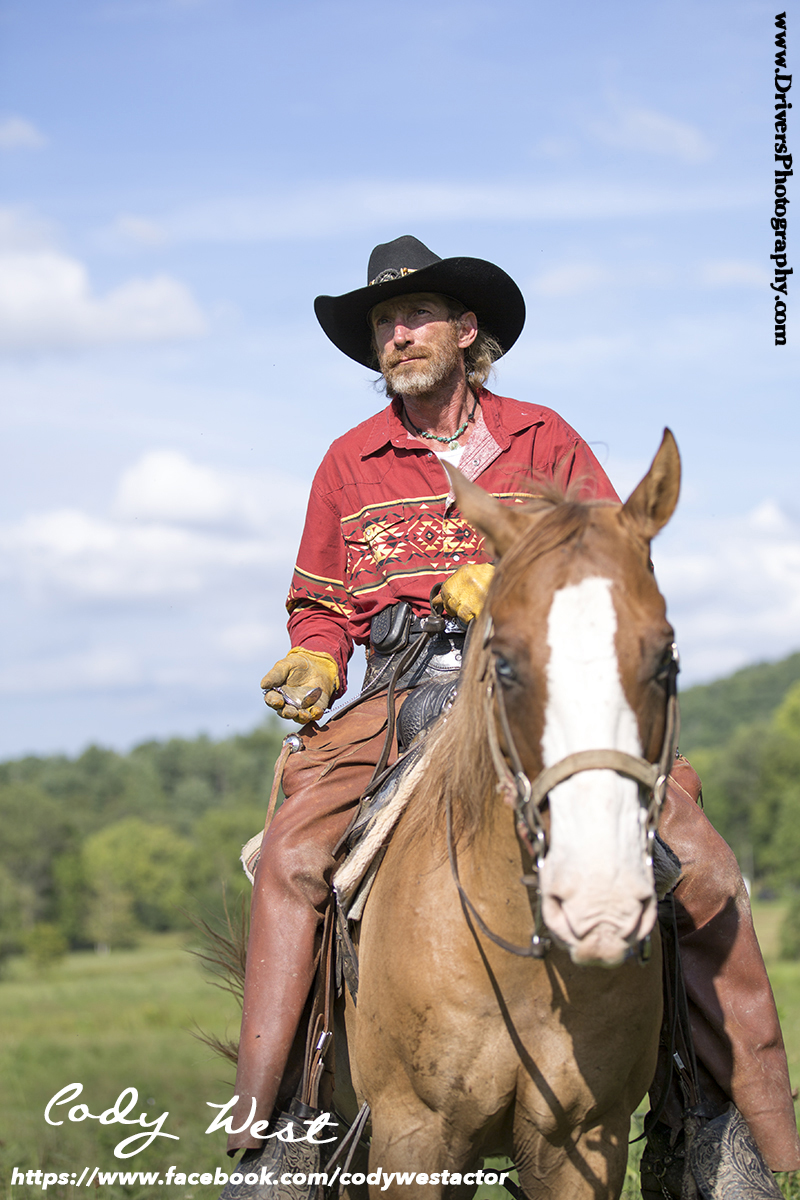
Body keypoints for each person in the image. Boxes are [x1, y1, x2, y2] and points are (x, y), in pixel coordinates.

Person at [225, 236, 800, 1193]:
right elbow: (321, 605)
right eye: (382, 325)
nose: (396, 337)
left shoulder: (543, 438)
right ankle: (280, 1123)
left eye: (414, 318)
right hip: (402, 691)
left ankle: (718, 1122)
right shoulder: (348, 462)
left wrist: (510, 585)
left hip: (551, 684)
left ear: (467, 331)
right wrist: (314, 659)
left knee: (699, 859)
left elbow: (612, 557)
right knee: (290, 856)